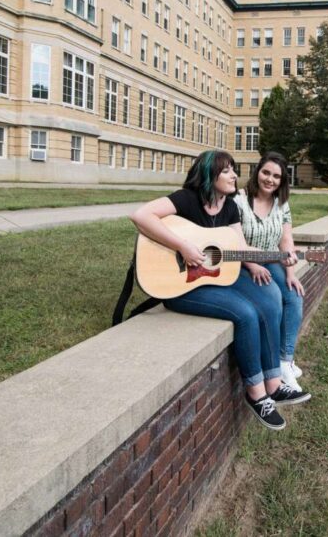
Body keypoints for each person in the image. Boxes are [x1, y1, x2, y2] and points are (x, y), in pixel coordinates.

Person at [129, 150, 310, 431]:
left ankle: (274, 383)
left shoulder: (229, 207)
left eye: (235, 170)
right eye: (227, 171)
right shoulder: (186, 199)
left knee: (268, 299)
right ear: (210, 173)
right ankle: (256, 394)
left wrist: (279, 256)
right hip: (180, 286)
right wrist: (183, 246)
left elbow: (240, 249)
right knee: (246, 314)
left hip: (211, 278)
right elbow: (140, 215)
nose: (235, 176)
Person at [234, 152, 306, 391]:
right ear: (257, 172)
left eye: (276, 176)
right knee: (272, 295)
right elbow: (234, 240)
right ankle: (273, 364)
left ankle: (285, 361)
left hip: (271, 259)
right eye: (266, 172)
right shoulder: (239, 200)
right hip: (243, 263)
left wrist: (290, 273)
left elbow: (286, 240)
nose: (270, 179)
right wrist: (252, 264)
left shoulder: (281, 204)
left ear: (282, 181)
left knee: (293, 294)